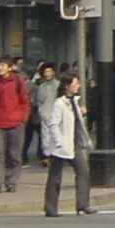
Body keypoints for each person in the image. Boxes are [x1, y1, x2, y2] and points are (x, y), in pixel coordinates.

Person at [41, 73, 97, 217]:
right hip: (61, 145)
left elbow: (75, 122)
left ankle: (83, 204)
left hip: (74, 143)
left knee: (83, 172)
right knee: (55, 176)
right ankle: (50, 207)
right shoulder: (59, 103)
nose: (78, 86)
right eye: (75, 84)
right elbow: (53, 124)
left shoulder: (74, 102)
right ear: (67, 86)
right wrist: (59, 141)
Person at [0, 58, 31, 193]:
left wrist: (23, 118)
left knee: (14, 155)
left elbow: (25, 101)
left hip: (15, 123)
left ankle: (11, 182)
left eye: (3, 65)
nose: (0, 68)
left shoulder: (17, 80)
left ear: (10, 68)